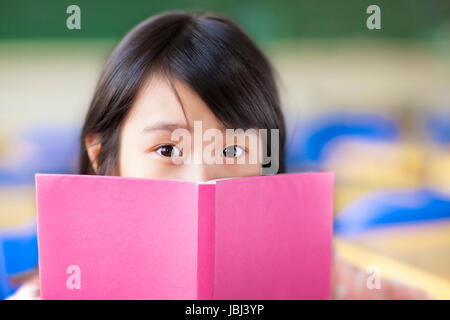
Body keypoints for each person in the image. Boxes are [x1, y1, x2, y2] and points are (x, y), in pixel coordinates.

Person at [9, 11, 428, 300]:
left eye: (232, 148)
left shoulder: (317, 272)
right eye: (167, 149)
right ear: (104, 159)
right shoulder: (61, 288)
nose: (201, 179)